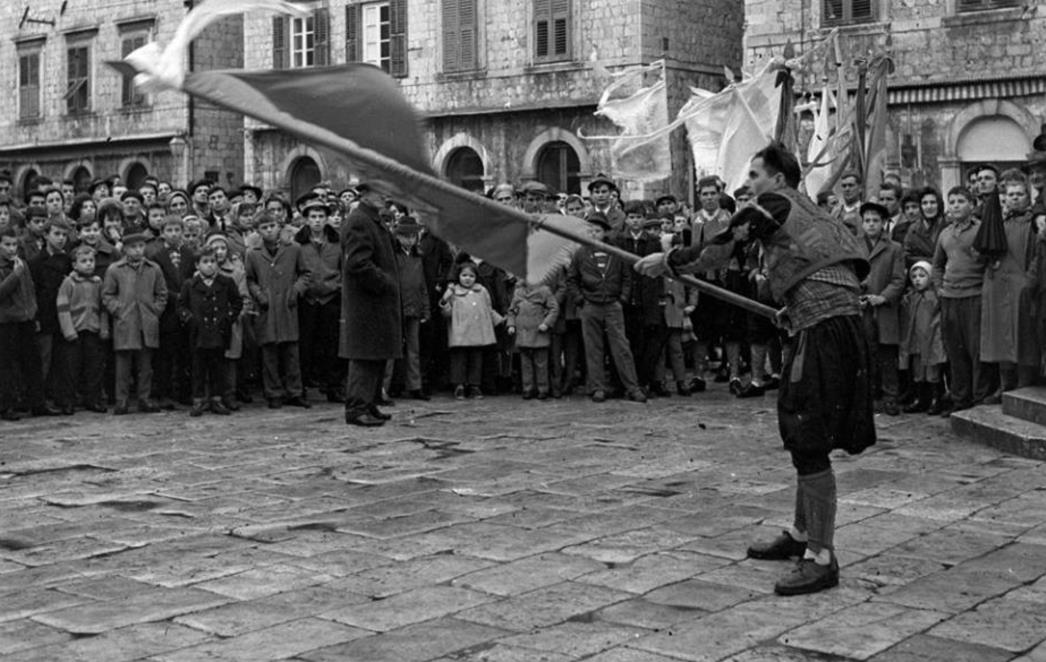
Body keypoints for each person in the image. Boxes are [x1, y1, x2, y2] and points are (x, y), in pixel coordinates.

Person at [635, 142, 874, 596]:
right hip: (831, 324)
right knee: (808, 434)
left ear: (778, 180)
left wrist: (666, 261)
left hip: (824, 331)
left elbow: (723, 245)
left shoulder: (773, 204)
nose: (748, 185)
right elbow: (835, 273)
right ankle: (804, 536)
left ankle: (821, 557)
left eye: (755, 175)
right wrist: (794, 307)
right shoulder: (815, 213)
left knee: (807, 435)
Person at [339, 183, 402, 427]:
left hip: (375, 303)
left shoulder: (371, 219)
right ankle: (356, 408)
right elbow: (357, 264)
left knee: (375, 355)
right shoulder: (360, 221)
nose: (386, 195)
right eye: (380, 191)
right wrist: (386, 282)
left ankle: (369, 403)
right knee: (364, 356)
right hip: (367, 303)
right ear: (364, 194)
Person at [568, 212, 647, 404]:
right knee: (593, 348)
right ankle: (597, 387)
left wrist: (622, 299)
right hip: (590, 305)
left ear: (605, 232)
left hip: (613, 305)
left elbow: (627, 279)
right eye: (590, 231)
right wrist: (581, 299)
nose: (594, 234)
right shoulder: (581, 253)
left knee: (621, 347)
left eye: (597, 230)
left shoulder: (616, 253)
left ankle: (632, 387)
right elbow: (572, 279)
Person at [931, 186, 990, 415]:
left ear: (972, 205)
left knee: (976, 351)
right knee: (955, 352)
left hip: (974, 297)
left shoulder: (981, 230)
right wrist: (939, 288)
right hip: (950, 299)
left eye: (960, 201)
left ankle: (978, 398)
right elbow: (936, 264)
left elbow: (990, 262)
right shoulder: (945, 233)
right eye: (952, 201)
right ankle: (959, 400)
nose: (955, 205)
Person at [245, 212, 311, 410]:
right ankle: (273, 392)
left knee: (292, 352)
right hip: (267, 308)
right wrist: (259, 295)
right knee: (269, 353)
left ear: (279, 227)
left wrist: (296, 291)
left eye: (272, 226)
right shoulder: (253, 253)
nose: (269, 230)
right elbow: (250, 279)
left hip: (287, 306)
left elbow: (305, 273)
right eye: (264, 227)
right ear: (258, 231)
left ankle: (295, 391)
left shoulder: (294, 249)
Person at [980, 174, 1038, 396]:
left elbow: (1037, 256)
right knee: (1000, 335)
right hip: (998, 284)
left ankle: (1025, 384)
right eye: (1011, 194)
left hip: (1021, 285)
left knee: (1022, 335)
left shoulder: (1033, 224)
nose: (1015, 198)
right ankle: (1006, 384)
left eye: (1020, 194)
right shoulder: (999, 223)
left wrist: (1028, 282)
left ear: (1027, 196)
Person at [102, 232, 168, 415]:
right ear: (124, 248)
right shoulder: (115, 269)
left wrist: (155, 311)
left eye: (141, 246)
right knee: (123, 366)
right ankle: (121, 400)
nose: (138, 250)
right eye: (133, 247)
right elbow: (107, 294)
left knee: (145, 366)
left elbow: (162, 293)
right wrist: (118, 310)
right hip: (125, 321)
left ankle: (144, 398)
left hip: (146, 322)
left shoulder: (153, 268)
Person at [179, 246, 243, 417]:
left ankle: (217, 399)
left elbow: (237, 302)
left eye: (213, 261)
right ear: (197, 265)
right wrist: (190, 319)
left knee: (218, 367)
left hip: (218, 331)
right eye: (205, 262)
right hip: (198, 332)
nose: (210, 266)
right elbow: (181, 305)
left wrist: (228, 318)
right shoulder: (190, 284)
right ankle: (199, 400)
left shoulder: (226, 282)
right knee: (198, 368)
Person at [0, 227, 56, 420]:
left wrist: (33, 313)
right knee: (6, 366)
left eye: (14, 244)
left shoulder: (22, 263)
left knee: (33, 362)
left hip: (26, 319)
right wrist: (14, 275)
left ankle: (37, 403)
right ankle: (6, 405)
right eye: (6, 244)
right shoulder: (10, 268)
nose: (11, 248)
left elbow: (30, 290)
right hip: (6, 321)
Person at [293, 198, 344, 402]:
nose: (317, 221)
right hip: (308, 299)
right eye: (313, 217)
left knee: (332, 345)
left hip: (331, 298)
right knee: (305, 346)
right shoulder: (298, 243)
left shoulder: (336, 241)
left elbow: (343, 268)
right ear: (306, 220)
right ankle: (303, 386)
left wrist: (337, 286)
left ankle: (333, 387)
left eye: (321, 217)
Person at [858, 202, 905, 416]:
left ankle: (890, 397)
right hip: (860, 308)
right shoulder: (854, 246)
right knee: (866, 353)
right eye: (867, 220)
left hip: (884, 309)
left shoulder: (894, 248)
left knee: (887, 354)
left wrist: (883, 297)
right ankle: (869, 396)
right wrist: (856, 292)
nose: (871, 224)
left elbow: (898, 280)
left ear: (884, 223)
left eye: (875, 220)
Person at [54, 245, 109, 415]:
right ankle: (68, 401)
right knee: (71, 368)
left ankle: (93, 399)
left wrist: (104, 328)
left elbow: (103, 307)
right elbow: (62, 307)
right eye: (83, 261)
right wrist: (69, 331)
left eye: (91, 261)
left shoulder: (98, 282)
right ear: (74, 264)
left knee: (94, 368)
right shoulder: (68, 283)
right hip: (74, 331)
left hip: (92, 329)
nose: (88, 264)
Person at [148, 216, 195, 408]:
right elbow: (157, 285)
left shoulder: (189, 254)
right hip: (167, 311)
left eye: (177, 230)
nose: (174, 234)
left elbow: (192, 278)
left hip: (187, 311)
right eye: (169, 230)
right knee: (165, 355)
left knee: (186, 353)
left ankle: (185, 392)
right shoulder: (157, 257)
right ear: (162, 233)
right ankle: (164, 392)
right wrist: (176, 296)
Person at [441, 262, 504, 400]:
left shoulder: (482, 291)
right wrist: (445, 300)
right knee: (459, 360)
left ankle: (474, 385)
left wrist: (498, 320)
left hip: (478, 333)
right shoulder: (454, 292)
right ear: (458, 276)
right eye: (464, 275)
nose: (467, 279)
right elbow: (447, 313)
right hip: (460, 333)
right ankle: (459, 385)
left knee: (476, 360)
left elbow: (488, 308)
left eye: (471, 276)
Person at [29, 219, 73, 401]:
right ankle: (40, 398)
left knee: (62, 360)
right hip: (44, 317)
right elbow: (32, 292)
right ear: (46, 235)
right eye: (57, 234)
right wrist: (36, 318)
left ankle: (59, 396)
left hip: (64, 317)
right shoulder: (35, 263)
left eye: (64, 235)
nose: (61, 239)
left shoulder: (67, 260)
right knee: (43, 360)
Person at [388, 217, 430, 400]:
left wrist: (425, 308)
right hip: (396, 307)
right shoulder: (392, 257)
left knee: (414, 349)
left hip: (415, 306)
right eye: (405, 236)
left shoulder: (418, 257)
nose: (409, 240)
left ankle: (415, 385)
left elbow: (422, 285)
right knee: (391, 350)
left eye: (413, 236)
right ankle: (385, 387)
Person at [899, 261, 946, 414]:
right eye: (914, 276)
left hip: (931, 339)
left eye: (922, 276)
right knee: (918, 370)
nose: (917, 280)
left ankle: (936, 399)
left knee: (933, 371)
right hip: (917, 340)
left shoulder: (933, 297)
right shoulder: (911, 297)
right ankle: (921, 398)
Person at [506, 277, 559, 400]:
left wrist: (546, 323)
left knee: (541, 363)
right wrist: (511, 324)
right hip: (523, 334)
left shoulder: (544, 291)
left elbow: (554, 308)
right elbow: (512, 310)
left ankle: (543, 388)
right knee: (525, 364)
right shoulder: (518, 292)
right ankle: (528, 388)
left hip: (538, 333)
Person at [903, 187, 945, 269]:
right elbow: (906, 256)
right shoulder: (913, 229)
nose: (929, 206)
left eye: (932, 202)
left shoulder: (948, 226)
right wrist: (931, 261)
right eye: (925, 203)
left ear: (939, 204)